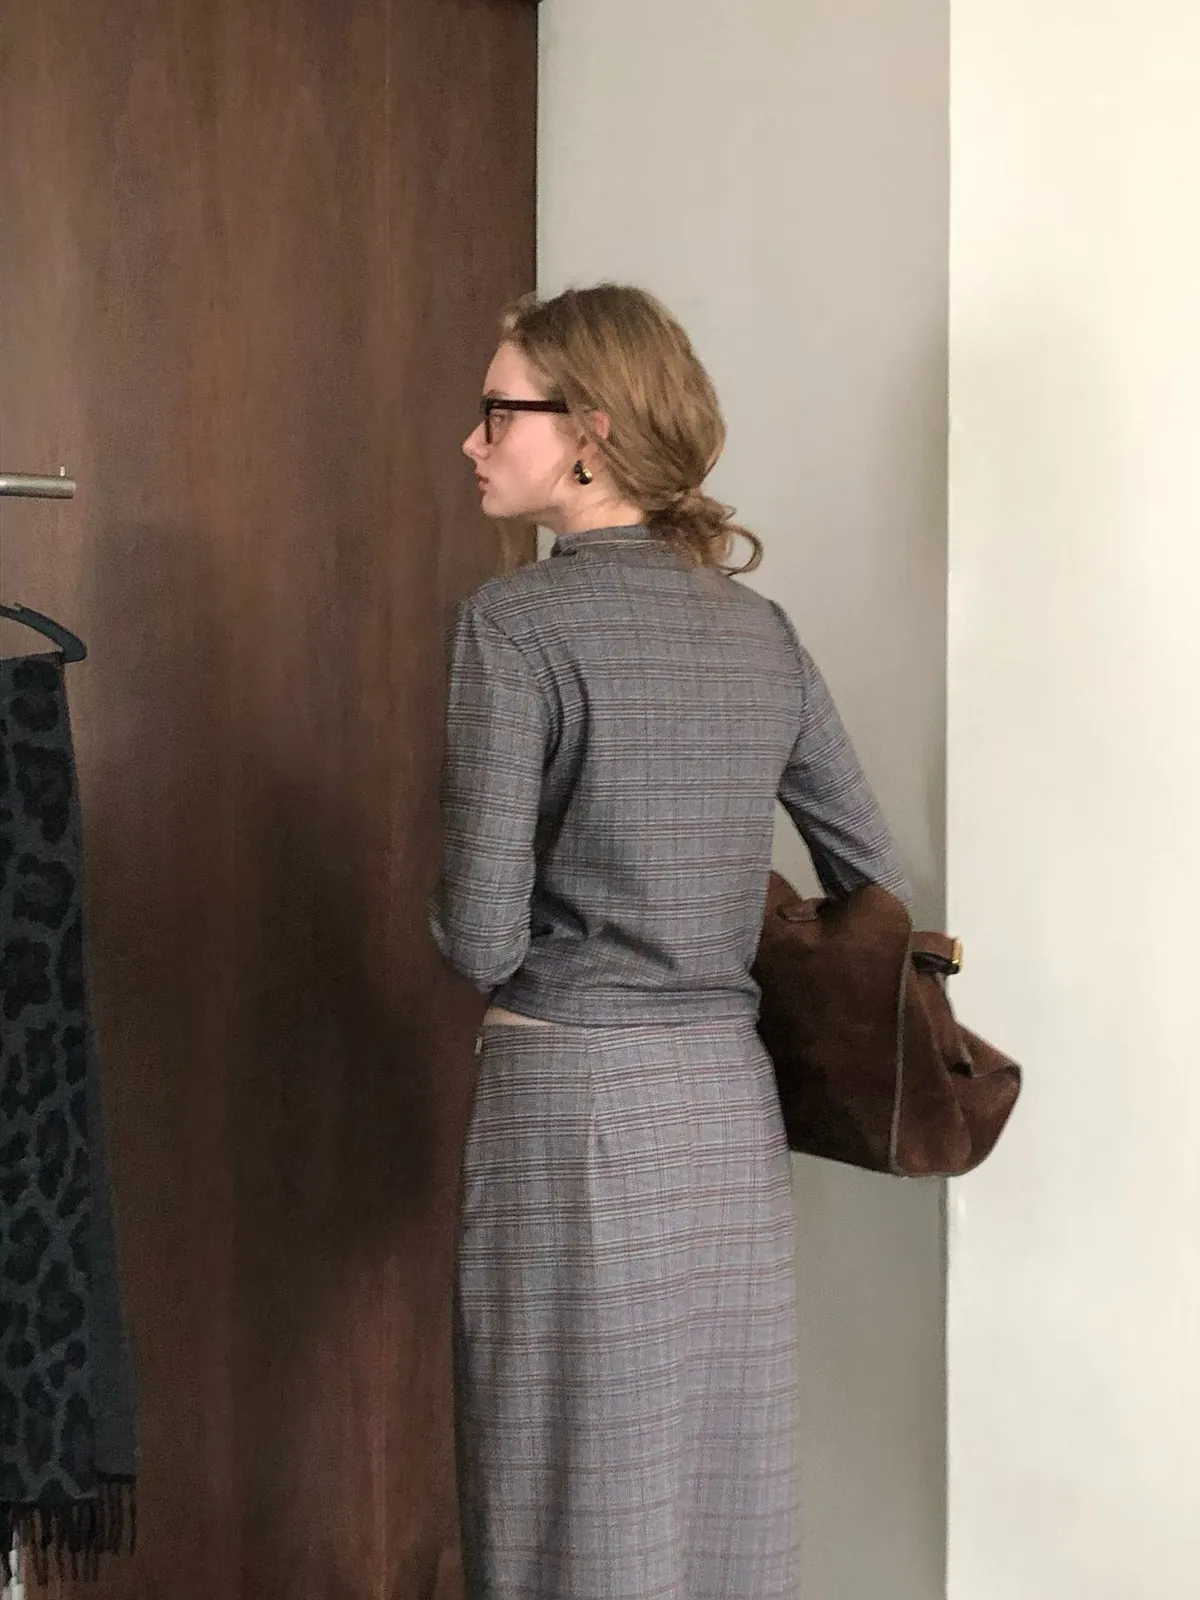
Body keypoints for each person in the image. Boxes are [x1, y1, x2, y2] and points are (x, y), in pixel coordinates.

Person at [430, 284, 909, 1600]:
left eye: (497, 412)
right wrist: (705, 913)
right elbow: (872, 874)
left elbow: (480, 934)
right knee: (715, 1503)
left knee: (558, 1503)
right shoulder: (758, 631)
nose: (473, 439)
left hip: (571, 1099)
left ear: (589, 430)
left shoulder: (515, 625)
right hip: (723, 1110)